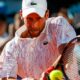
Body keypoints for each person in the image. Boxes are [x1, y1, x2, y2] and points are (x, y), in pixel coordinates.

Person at [0, 0, 80, 80]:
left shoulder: (58, 25)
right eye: (29, 19)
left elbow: (67, 55)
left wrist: (50, 71)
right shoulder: (10, 48)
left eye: (38, 18)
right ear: (21, 14)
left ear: (47, 14)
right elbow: (6, 78)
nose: (35, 24)